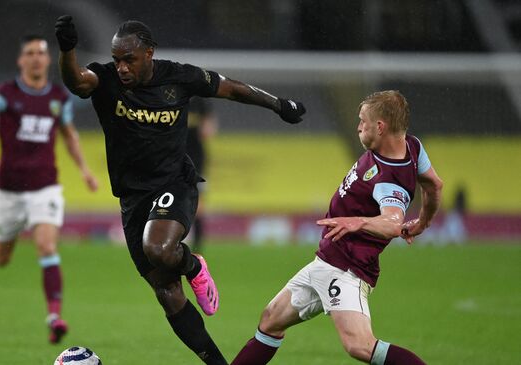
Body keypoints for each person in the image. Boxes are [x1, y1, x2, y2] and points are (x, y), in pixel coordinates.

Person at [54, 16, 306, 365]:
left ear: (149, 53)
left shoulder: (179, 76)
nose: (122, 67)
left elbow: (230, 88)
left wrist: (279, 104)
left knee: (157, 247)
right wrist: (67, 51)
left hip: (174, 183)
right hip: (132, 198)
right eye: (117, 60)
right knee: (168, 294)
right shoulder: (107, 79)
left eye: (129, 59)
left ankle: (193, 265)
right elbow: (78, 82)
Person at [231, 90, 443, 365]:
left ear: (380, 127)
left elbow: (392, 223)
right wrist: (422, 224)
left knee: (360, 346)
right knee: (271, 319)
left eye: (363, 121)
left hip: (346, 269)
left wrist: (360, 221)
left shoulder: (389, 179)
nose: (358, 127)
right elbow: (434, 185)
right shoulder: (412, 146)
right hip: (328, 259)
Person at [0, 34, 99, 344]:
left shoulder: (59, 99)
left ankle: (55, 317)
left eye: (41, 52)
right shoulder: (4, 94)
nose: (37, 57)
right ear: (21, 60)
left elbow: (69, 135)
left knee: (48, 248)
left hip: (45, 188)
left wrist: (85, 171)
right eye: (30, 53)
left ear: (48, 59)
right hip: (8, 191)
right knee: (1, 258)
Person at [186, 96, 218, 253]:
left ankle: (197, 248)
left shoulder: (200, 102)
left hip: (197, 160)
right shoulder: (169, 96)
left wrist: (207, 125)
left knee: (198, 204)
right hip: (173, 157)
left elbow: (209, 131)